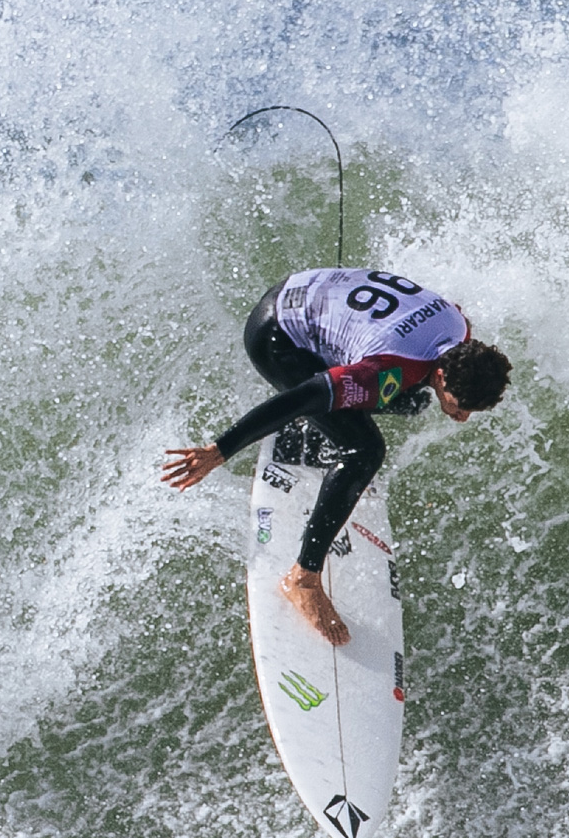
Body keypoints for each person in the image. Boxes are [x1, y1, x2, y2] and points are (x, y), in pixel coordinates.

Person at [160, 267, 514, 647]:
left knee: (411, 400)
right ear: (442, 376)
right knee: (365, 450)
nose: (460, 417)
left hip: (305, 289)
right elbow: (300, 397)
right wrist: (221, 450)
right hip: (276, 337)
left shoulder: (458, 329)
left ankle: (329, 415)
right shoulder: (387, 371)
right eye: (460, 406)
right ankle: (303, 578)